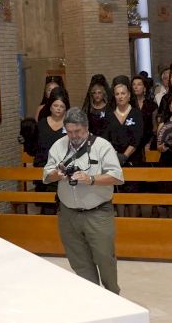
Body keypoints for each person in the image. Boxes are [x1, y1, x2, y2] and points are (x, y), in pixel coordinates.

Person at [42, 107, 123, 293]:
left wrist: (91, 179)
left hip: (98, 214)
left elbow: (117, 177)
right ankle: (92, 295)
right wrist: (57, 174)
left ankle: (112, 296)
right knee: (79, 260)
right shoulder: (58, 146)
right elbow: (46, 176)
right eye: (69, 132)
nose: (73, 136)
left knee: (104, 258)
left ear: (86, 127)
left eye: (77, 131)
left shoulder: (102, 146)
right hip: (68, 214)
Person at [107, 76, 144, 166]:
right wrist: (115, 156)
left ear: (129, 95)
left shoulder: (136, 114)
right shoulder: (109, 115)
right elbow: (106, 138)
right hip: (113, 159)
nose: (120, 97)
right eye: (117, 94)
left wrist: (124, 157)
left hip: (134, 159)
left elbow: (137, 138)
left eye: (123, 93)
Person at [130, 74, 157, 150]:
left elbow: (155, 128)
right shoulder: (128, 104)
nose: (135, 87)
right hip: (131, 142)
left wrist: (150, 143)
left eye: (139, 84)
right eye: (134, 84)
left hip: (147, 141)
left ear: (144, 88)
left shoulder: (152, 105)